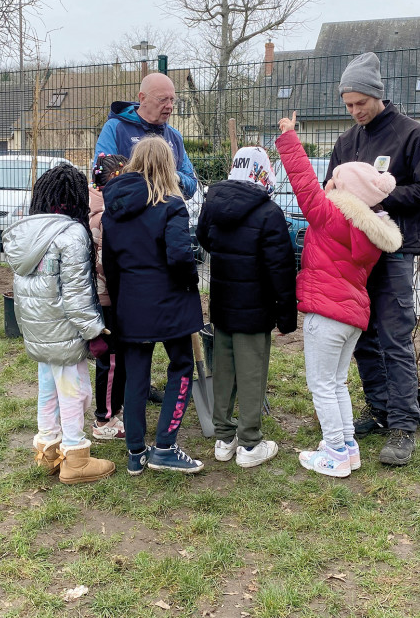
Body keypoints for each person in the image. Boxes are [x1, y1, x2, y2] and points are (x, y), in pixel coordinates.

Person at [324, 53, 420, 467]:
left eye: (361, 103)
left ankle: (403, 426)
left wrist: (377, 197)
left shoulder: (413, 135)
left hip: (394, 251)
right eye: (348, 104)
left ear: (378, 95)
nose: (355, 112)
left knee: (394, 336)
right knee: (361, 335)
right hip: (354, 255)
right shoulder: (346, 142)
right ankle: (378, 410)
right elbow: (331, 191)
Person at [276, 111, 403, 477]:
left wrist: (289, 138)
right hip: (351, 318)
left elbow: (302, 184)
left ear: (346, 192)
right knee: (337, 383)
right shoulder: (369, 229)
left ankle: (333, 451)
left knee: (321, 385)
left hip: (327, 316)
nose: (327, 184)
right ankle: (348, 447)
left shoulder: (332, 217)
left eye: (334, 180)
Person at [3, 164, 115, 485]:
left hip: (38, 330)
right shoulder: (73, 234)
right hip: (65, 332)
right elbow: (78, 296)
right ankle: (76, 455)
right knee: (74, 390)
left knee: (48, 389)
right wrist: (95, 333)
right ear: (77, 199)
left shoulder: (28, 231)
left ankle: (48, 448)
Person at [102, 136, 205, 475]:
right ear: (167, 165)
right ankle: (165, 446)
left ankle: (135, 453)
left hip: (130, 302)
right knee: (180, 366)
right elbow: (179, 256)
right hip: (171, 301)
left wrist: (120, 300)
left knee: (136, 376)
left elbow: (110, 262)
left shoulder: (112, 207)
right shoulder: (170, 204)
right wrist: (191, 283)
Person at [195, 147, 297, 468]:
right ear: (262, 171)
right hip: (255, 310)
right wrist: (287, 316)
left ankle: (225, 438)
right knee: (252, 373)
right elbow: (281, 269)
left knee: (224, 370)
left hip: (223, 305)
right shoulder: (269, 213)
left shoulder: (213, 204)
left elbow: (204, 238)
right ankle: (250, 443)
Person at [94, 72, 198, 198]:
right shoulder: (115, 128)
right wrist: (146, 179)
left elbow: (191, 185)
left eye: (172, 100)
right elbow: (102, 177)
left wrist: (170, 175)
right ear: (142, 98)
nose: (170, 106)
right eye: (163, 99)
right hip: (127, 213)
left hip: (168, 213)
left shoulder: (175, 136)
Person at [89, 153, 129, 441]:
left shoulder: (99, 209)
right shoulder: (104, 217)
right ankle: (104, 419)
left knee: (118, 357)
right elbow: (104, 264)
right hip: (107, 300)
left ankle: (115, 408)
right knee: (111, 359)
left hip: (109, 297)